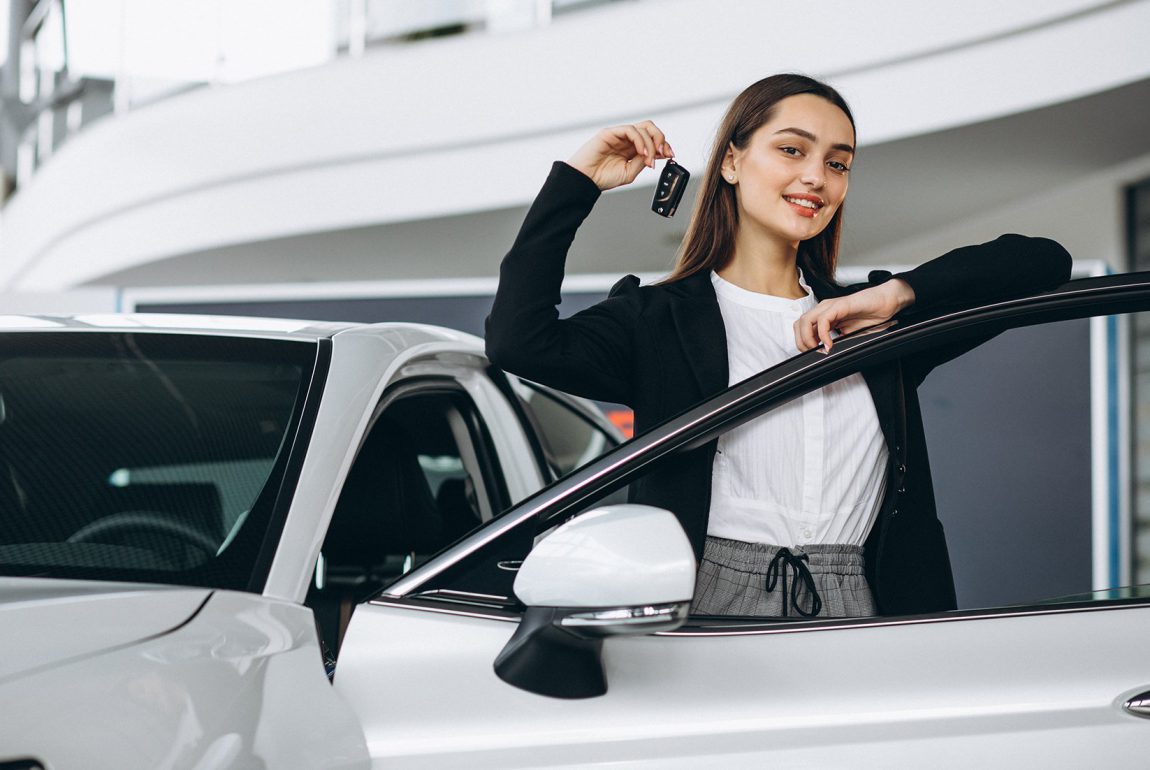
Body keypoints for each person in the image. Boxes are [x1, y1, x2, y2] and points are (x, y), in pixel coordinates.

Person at [485, 73, 1071, 618]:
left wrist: (896, 296)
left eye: (838, 163)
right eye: (792, 150)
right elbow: (520, 341)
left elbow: (1043, 262)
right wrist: (578, 181)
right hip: (706, 596)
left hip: (866, 601)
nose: (817, 177)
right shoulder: (659, 320)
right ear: (733, 162)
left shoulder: (869, 320)